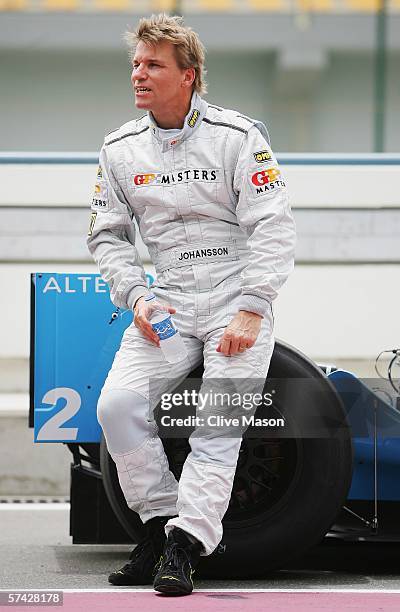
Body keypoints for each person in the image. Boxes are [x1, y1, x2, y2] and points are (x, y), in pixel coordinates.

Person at [87, 13, 296, 596]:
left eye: (153, 64)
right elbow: (106, 236)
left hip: (235, 296)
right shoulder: (120, 148)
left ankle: (185, 547)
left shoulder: (238, 137)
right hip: (168, 300)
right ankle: (158, 526)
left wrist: (253, 306)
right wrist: (137, 296)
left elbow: (274, 227)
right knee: (117, 405)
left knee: (219, 424)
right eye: (136, 63)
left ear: (189, 75)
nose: (139, 73)